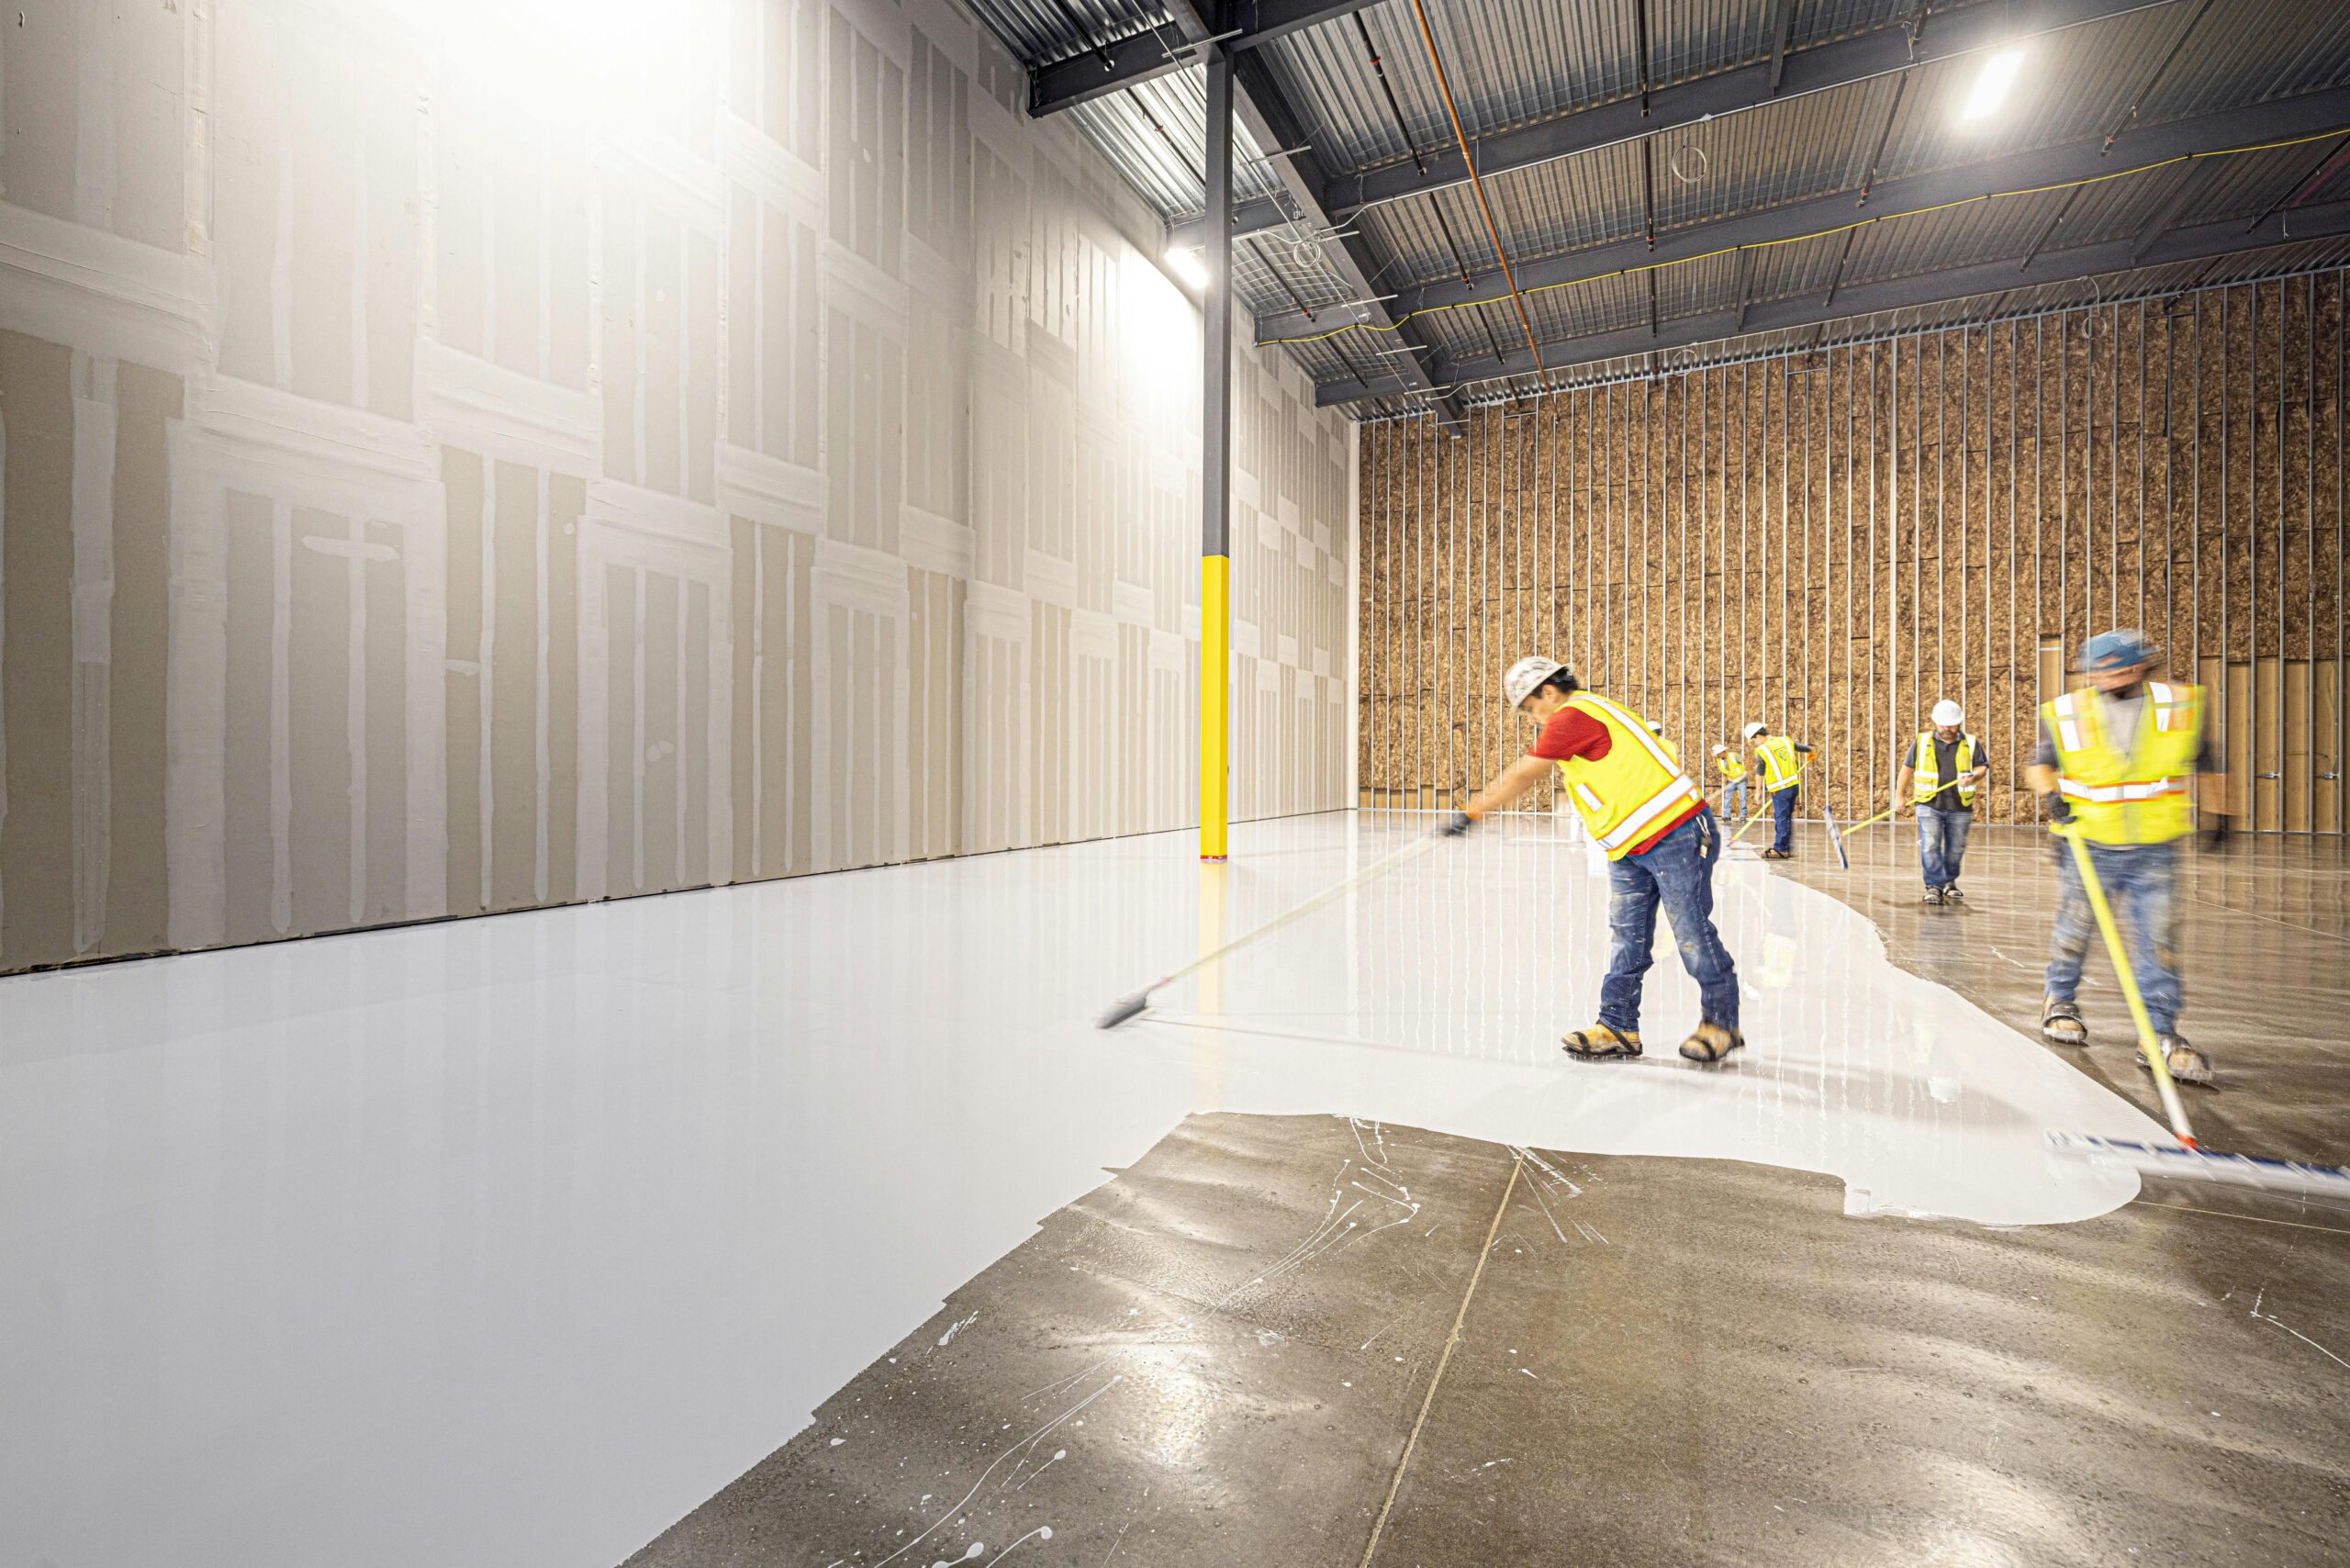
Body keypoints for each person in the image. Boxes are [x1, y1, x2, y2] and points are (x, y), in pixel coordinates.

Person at [1438, 657, 1743, 1065]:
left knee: (1691, 931)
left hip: (1677, 833)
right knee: (1627, 938)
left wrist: (1473, 810)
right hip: (1629, 846)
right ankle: (1618, 1026)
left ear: (1548, 691)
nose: (1532, 719)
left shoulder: (1572, 715)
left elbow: (1526, 773)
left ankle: (1721, 1024)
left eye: (1529, 708)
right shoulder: (1594, 710)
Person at [2027, 629, 2228, 1086]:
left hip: (2155, 848)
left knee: (2158, 940)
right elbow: (2039, 763)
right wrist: (2051, 796)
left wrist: (2219, 815)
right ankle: (2059, 1001)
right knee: (2074, 928)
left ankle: (2159, 1032)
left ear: (2139, 666)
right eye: (2095, 670)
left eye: (2113, 668)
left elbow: (2206, 760)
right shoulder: (2067, 711)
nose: (2102, 677)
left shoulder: (2179, 704)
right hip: (2087, 844)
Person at [1895, 700, 1990, 904]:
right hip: (1929, 804)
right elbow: (1907, 769)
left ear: (1960, 723)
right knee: (1930, 845)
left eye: (1952, 724)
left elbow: (1982, 767)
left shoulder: (1971, 743)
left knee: (1956, 847)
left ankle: (1949, 882)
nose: (1948, 728)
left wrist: (1973, 776)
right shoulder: (1922, 742)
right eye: (1944, 724)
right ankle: (1933, 887)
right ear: (1935, 722)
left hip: (1960, 806)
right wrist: (1899, 795)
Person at [1741, 721, 1812, 859]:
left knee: (1781, 818)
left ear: (1758, 736)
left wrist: (1758, 791)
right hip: (1793, 786)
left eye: (1753, 740)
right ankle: (1785, 847)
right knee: (1786, 818)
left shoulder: (1763, 750)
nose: (1754, 743)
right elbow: (1804, 748)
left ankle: (1780, 849)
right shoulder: (1785, 741)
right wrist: (1811, 752)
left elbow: (1760, 771)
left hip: (1780, 788)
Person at [1710, 742, 1750, 823]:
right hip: (1731, 781)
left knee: (1743, 798)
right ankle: (1726, 816)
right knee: (1727, 798)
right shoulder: (1719, 761)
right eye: (1717, 754)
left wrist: (1745, 772)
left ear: (1723, 752)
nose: (1718, 756)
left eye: (1719, 754)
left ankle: (1743, 816)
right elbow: (1724, 773)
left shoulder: (1734, 755)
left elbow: (1746, 761)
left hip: (1741, 781)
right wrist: (1724, 784)